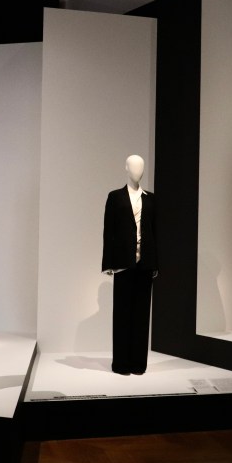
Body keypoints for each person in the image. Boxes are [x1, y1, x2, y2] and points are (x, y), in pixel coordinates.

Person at [102, 154, 158, 375]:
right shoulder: (115, 197)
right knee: (122, 313)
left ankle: (138, 363)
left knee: (142, 314)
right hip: (123, 263)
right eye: (134, 166)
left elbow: (156, 232)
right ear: (126, 168)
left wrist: (155, 263)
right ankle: (121, 363)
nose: (138, 170)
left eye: (141, 167)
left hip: (145, 263)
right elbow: (109, 231)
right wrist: (108, 263)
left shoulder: (151, 199)